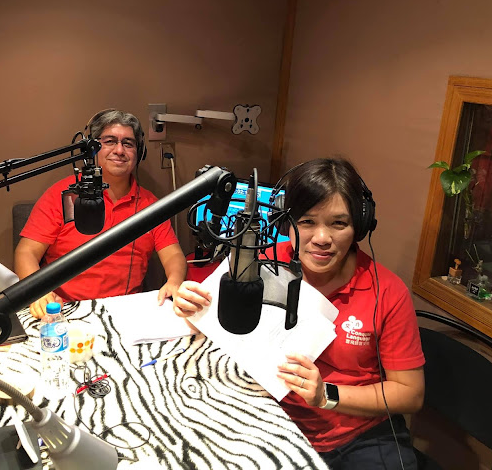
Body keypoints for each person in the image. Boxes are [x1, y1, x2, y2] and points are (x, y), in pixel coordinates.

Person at [172, 158, 425, 469]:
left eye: (338, 223)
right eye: (306, 222)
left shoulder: (387, 291)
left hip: (359, 435)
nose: (322, 238)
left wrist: (326, 395)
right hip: (273, 420)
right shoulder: (259, 260)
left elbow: (409, 394)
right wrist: (189, 307)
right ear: (285, 223)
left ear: (359, 227)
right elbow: (215, 331)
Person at [15, 109, 186, 318]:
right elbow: (26, 252)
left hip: (126, 311)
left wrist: (174, 281)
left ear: (139, 153)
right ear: (93, 149)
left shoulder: (151, 205)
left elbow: (173, 255)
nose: (119, 150)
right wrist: (38, 293)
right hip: (64, 310)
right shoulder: (62, 194)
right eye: (110, 141)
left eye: (128, 143)